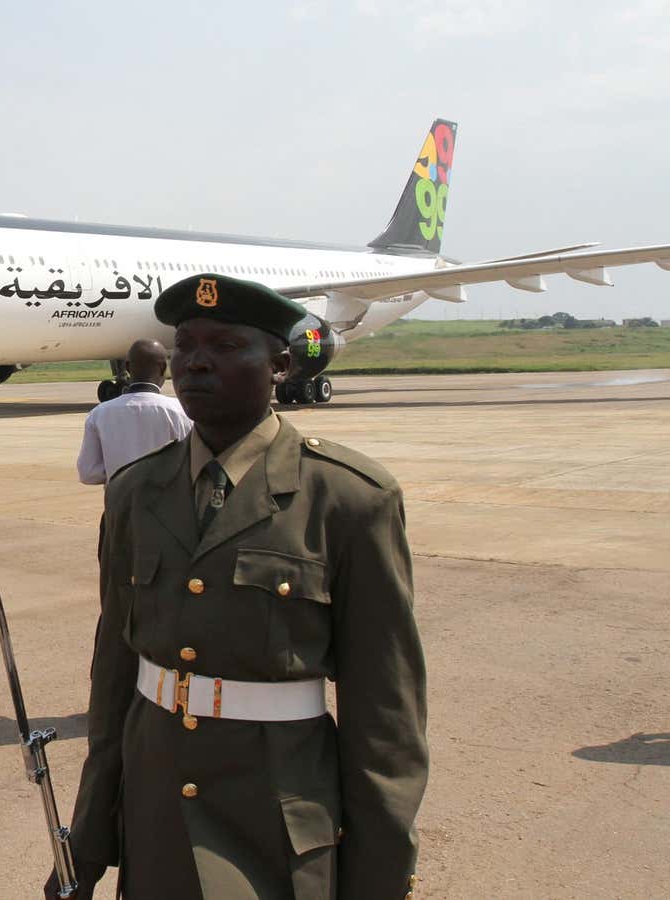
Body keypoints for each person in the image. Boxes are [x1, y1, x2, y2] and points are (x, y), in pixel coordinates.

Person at [52, 274, 427, 900]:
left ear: (280, 364)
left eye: (225, 346)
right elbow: (116, 671)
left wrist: (379, 876)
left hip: (277, 813)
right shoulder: (135, 493)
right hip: (157, 812)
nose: (195, 361)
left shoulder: (349, 498)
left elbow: (385, 709)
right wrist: (88, 840)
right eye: (185, 345)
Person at [76, 338, 191, 487]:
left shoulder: (99, 413)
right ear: (163, 368)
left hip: (120, 503)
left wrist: (117, 470)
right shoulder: (180, 410)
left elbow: (88, 473)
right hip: (167, 503)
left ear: (128, 367)